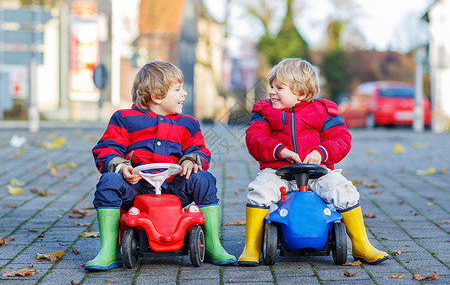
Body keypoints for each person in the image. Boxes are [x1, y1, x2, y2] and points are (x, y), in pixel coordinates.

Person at [85, 60, 236, 271]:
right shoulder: (125, 119)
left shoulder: (187, 123)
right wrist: (121, 167)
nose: (184, 93)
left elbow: (199, 149)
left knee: (204, 179)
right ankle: (109, 251)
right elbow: (107, 148)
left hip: (174, 187)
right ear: (156, 96)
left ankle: (212, 244)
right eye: (178, 89)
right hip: (137, 188)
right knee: (109, 181)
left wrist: (190, 160)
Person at [238, 58, 389, 266]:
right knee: (259, 191)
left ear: (301, 93)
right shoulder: (265, 113)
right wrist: (279, 150)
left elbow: (341, 139)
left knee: (343, 189)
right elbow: (255, 139)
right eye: (271, 86)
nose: (272, 92)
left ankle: (361, 244)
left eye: (279, 88)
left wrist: (322, 151)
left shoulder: (322, 111)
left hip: (317, 173)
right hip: (278, 172)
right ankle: (251, 248)